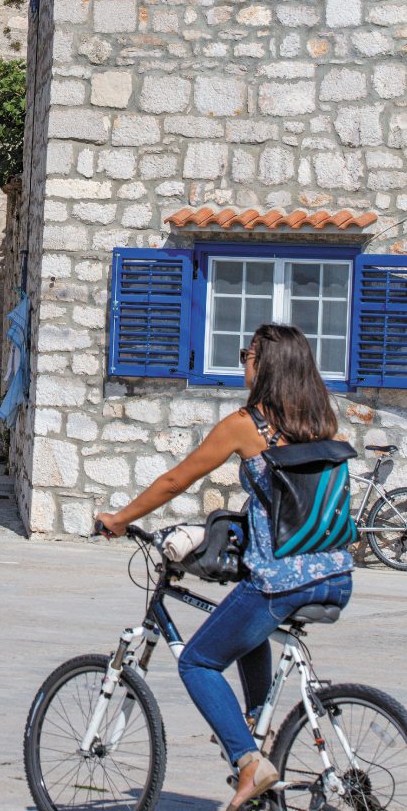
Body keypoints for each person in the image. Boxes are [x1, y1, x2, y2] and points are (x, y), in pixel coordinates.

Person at [96, 324, 353, 810]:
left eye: (247, 354)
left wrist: (119, 519)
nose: (243, 363)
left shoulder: (246, 425)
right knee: (241, 631)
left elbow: (175, 480)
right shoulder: (322, 423)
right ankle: (261, 735)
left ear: (265, 365)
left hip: (280, 581)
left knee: (197, 660)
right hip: (335, 575)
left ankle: (248, 763)